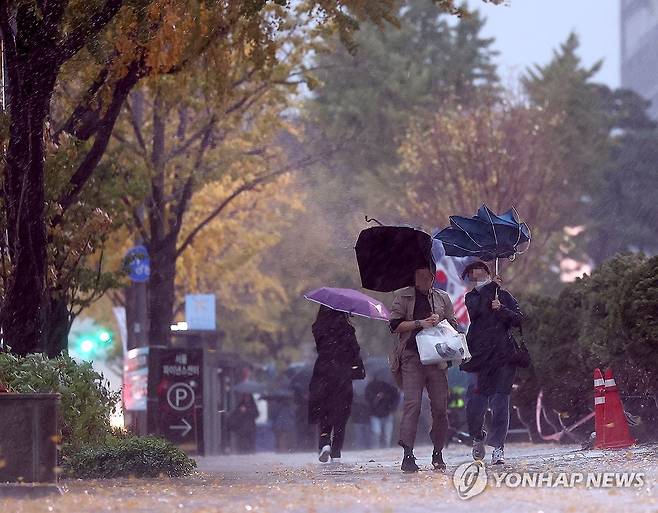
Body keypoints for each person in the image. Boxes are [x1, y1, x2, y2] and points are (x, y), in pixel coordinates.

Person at [389, 267, 461, 472]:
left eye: (429, 276)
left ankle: (438, 451)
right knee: (413, 403)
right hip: (412, 357)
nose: (425, 280)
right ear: (414, 278)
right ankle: (408, 453)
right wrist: (419, 323)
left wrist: (441, 321)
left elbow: (454, 324)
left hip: (437, 358)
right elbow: (394, 325)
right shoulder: (402, 297)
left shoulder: (442, 298)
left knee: (440, 407)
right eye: (420, 275)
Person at [460, 260, 523, 465]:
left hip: (503, 356)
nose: (475, 275)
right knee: (475, 402)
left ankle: (498, 447)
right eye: (471, 274)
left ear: (487, 272)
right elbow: (477, 312)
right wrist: (492, 288)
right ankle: (478, 436)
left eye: (478, 271)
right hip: (479, 357)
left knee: (500, 401)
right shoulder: (472, 297)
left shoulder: (504, 297)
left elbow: (519, 319)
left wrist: (502, 308)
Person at [308, 306, 362, 462]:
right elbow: (355, 351)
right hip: (342, 373)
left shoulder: (317, 327)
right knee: (341, 411)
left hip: (322, 372)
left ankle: (324, 442)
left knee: (324, 408)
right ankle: (336, 451)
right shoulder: (346, 329)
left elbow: (320, 348)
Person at [365, 377, 400, 448]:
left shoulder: (390, 388)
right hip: (375, 414)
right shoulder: (371, 387)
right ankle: (375, 448)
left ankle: (386, 448)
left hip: (387, 413)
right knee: (376, 432)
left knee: (387, 434)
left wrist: (391, 406)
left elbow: (395, 399)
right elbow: (368, 399)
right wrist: (377, 398)